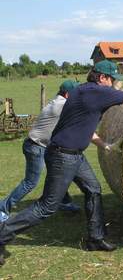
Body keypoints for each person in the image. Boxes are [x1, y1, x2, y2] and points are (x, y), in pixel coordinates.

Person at [0, 60, 123, 266]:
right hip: (63, 156)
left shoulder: (81, 91)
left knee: (93, 189)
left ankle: (95, 238)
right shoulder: (97, 92)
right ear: (102, 77)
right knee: (47, 207)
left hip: (73, 154)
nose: (114, 85)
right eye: (112, 80)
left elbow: (82, 125)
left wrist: (104, 145)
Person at [0, 80, 81, 223]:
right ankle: (2, 208)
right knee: (30, 182)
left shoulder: (57, 101)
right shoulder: (61, 105)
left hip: (41, 146)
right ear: (68, 94)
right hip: (36, 147)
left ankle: (65, 201)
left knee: (56, 174)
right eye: (76, 94)